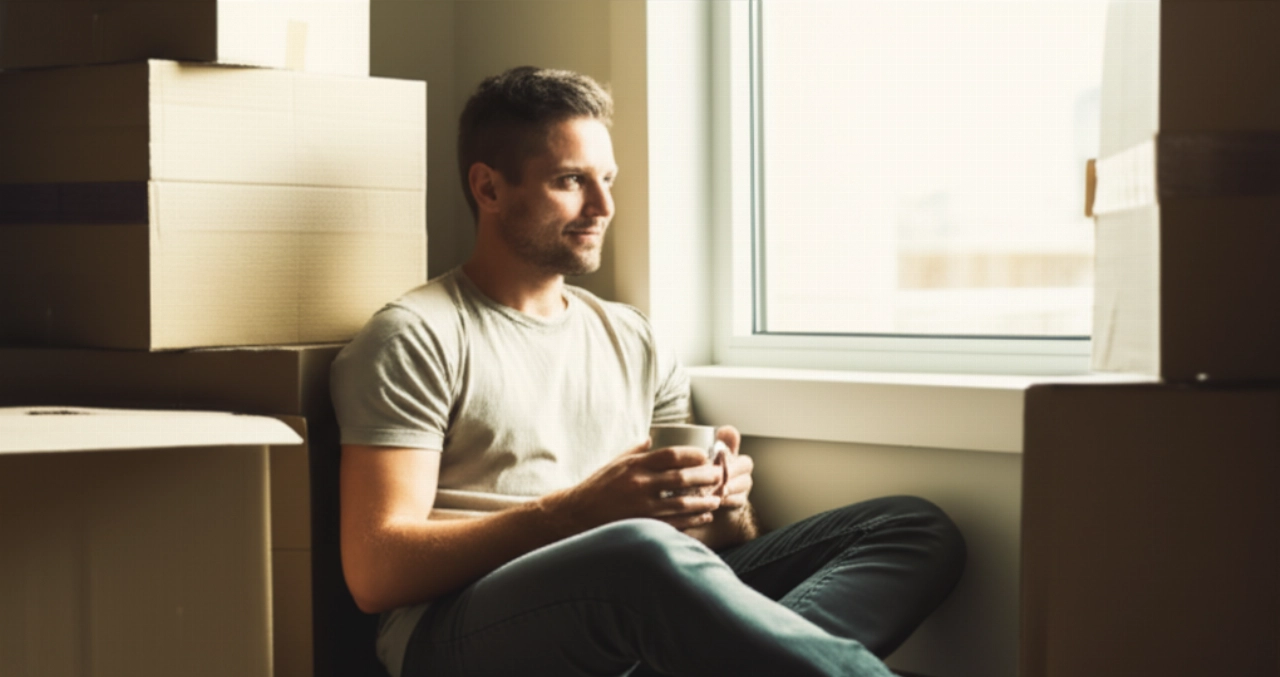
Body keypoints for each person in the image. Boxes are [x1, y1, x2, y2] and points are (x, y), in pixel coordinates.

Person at [331, 66, 966, 677]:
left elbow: (702, 546)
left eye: (608, 179)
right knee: (637, 551)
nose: (603, 205)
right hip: (457, 630)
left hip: (629, 604)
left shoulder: (633, 337)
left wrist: (725, 506)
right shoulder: (417, 335)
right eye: (571, 181)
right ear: (490, 188)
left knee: (910, 528)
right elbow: (377, 571)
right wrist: (575, 514)